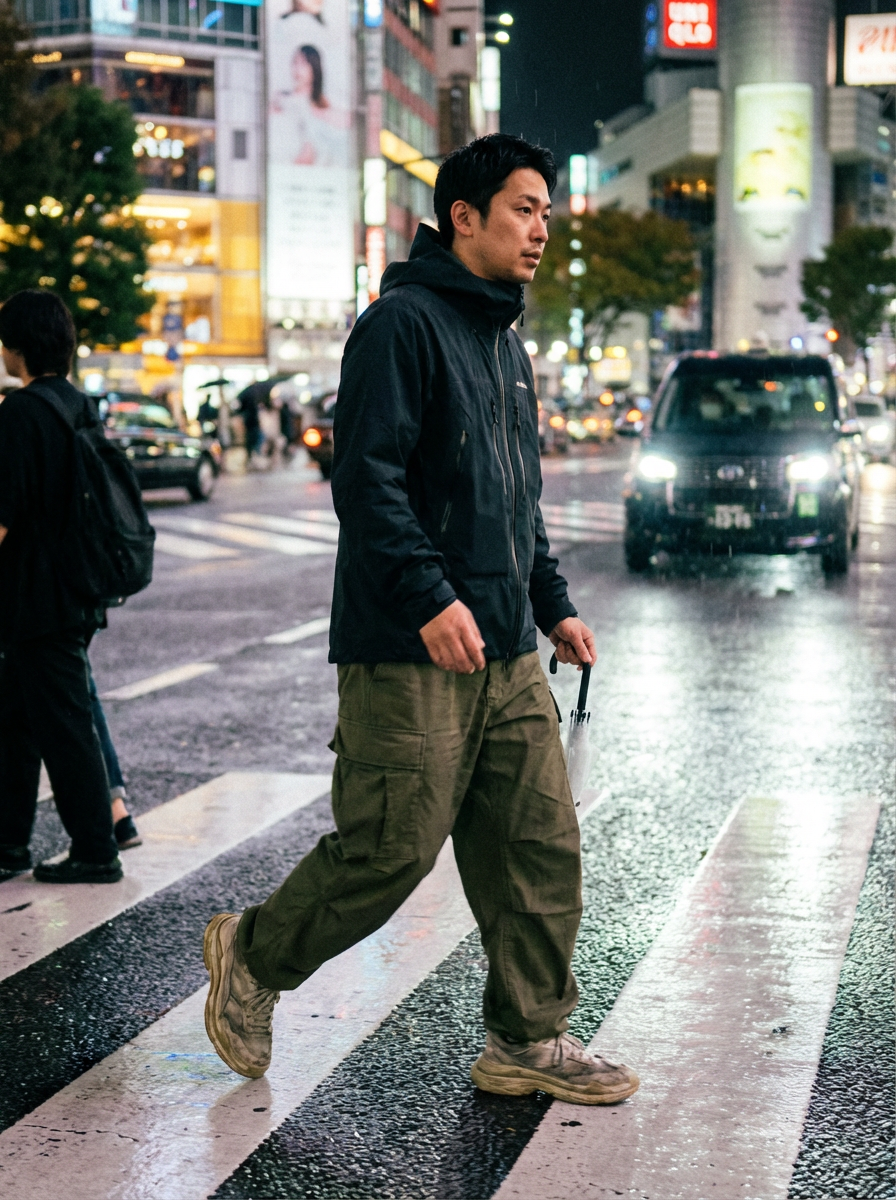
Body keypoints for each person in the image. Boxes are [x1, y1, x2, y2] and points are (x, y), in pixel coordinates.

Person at [203, 135, 640, 1106]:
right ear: (464, 218)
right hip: (409, 647)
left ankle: (526, 1038)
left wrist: (552, 605)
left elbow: (513, 500)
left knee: (534, 844)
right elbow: (366, 481)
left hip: (504, 649)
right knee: (388, 851)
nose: (539, 230)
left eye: (544, 213)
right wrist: (427, 597)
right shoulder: (397, 326)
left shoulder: (503, 343)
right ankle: (253, 952)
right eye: (523, 209)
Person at [0, 290, 122, 883]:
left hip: (33, 597)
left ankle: (96, 849)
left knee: (63, 727)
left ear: (15, 349)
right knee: (17, 721)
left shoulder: (20, 413)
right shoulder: (80, 405)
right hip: (77, 588)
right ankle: (9, 845)